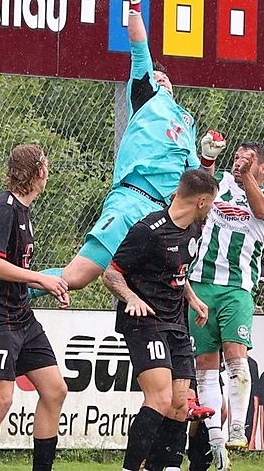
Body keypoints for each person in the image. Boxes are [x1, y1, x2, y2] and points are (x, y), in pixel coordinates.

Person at [35, 0, 225, 295]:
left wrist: (208, 156)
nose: (159, 78)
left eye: (163, 76)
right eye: (155, 74)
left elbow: (200, 183)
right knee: (77, 276)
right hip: (131, 200)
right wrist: (135, 4)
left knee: (160, 291)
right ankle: (8, 291)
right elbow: (139, 47)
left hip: (162, 216)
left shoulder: (186, 123)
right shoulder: (146, 95)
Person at [0, 144, 69, 471]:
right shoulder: (4, 208)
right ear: (37, 172)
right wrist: (40, 278)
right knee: (2, 399)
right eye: (46, 166)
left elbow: (15, 269)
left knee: (55, 390)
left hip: (19, 314)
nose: (48, 172)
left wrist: (51, 285)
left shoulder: (23, 210)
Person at [103, 169, 218, 471]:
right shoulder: (148, 231)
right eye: (212, 204)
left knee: (180, 404)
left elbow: (178, 272)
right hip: (145, 321)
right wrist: (132, 298)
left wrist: (192, 299)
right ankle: (130, 467)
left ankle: (165, 466)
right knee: (160, 396)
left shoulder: (193, 229)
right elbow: (111, 273)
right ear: (201, 202)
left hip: (176, 322)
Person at [188, 142, 264, 466]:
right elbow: (196, 191)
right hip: (202, 282)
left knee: (235, 354)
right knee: (205, 363)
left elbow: (263, 212)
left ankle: (236, 429)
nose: (239, 163)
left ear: (263, 168)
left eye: (248, 160)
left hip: (237, 287)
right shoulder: (221, 183)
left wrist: (246, 178)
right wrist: (208, 157)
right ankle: (216, 441)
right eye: (236, 158)